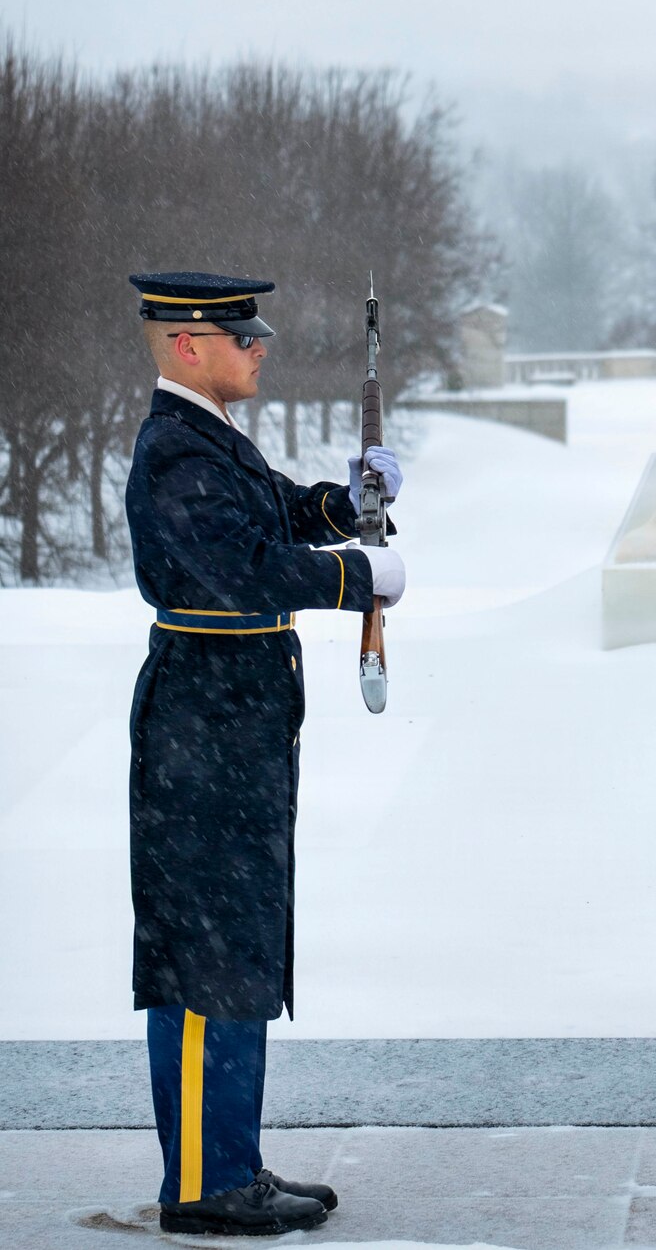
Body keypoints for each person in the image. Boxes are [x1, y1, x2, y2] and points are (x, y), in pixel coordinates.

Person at [124, 271, 407, 1236]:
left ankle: (228, 1155)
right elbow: (244, 569)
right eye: (243, 338)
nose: (260, 349)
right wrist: (352, 576)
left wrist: (341, 505)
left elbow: (271, 513)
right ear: (188, 344)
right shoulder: (174, 453)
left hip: (231, 717)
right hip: (204, 716)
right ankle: (203, 1186)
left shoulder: (209, 440)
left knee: (237, 941)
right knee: (207, 951)